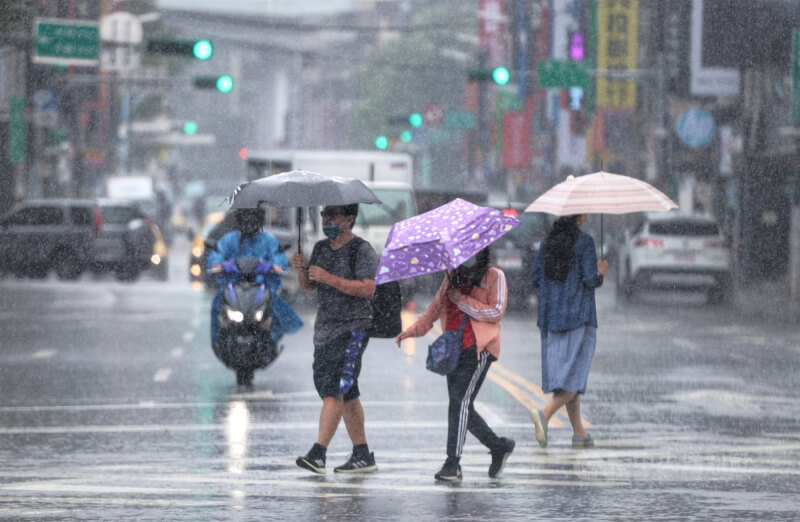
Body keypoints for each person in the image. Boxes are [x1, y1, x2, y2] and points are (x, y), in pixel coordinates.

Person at [395, 247, 515, 481]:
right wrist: (412, 330)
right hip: (454, 349)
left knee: (459, 403)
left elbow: (497, 311)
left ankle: (453, 463)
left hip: (478, 349)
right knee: (460, 407)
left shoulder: (495, 275)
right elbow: (436, 307)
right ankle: (498, 447)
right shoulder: (453, 274)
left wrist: (462, 301)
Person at [289, 203, 379, 474]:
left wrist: (330, 278)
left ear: (349, 218)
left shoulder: (361, 249)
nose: (326, 220)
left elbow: (368, 288)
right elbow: (308, 287)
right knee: (347, 392)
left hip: (352, 328)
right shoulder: (320, 248)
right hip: (325, 329)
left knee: (335, 389)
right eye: (323, 215)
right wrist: (302, 269)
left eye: (332, 215)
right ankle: (362, 454)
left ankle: (319, 453)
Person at [529, 214, 609, 448]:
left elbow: (535, 279)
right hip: (578, 316)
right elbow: (591, 280)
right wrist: (601, 271)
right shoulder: (585, 242)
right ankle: (545, 414)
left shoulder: (547, 243)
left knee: (568, 376)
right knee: (575, 375)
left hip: (551, 317)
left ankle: (579, 433)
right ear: (580, 216)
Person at [207, 207, 303, 386]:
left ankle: (272, 340)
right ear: (239, 218)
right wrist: (227, 266)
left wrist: (268, 267)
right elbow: (214, 262)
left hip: (261, 288)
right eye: (245, 216)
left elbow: (280, 264)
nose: (249, 220)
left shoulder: (269, 240)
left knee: (276, 307)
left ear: (259, 219)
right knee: (217, 304)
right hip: (233, 288)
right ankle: (217, 342)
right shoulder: (229, 240)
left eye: (253, 217)